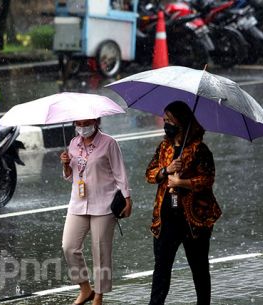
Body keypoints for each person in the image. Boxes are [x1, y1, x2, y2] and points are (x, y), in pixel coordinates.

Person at [145, 101, 222, 305]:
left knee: (199, 268)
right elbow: (150, 174)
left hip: (193, 220)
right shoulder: (164, 147)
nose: (166, 123)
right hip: (166, 218)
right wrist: (166, 171)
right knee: (161, 269)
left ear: (181, 122)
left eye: (170, 120)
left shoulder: (199, 149)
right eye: (165, 119)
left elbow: (208, 179)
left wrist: (183, 182)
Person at [60, 118, 132, 305]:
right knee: (69, 246)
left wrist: (127, 198)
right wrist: (66, 164)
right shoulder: (73, 143)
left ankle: (99, 296)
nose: (82, 128)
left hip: (104, 203)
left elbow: (120, 172)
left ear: (96, 121)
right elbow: (71, 176)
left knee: (100, 251)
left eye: (86, 123)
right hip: (78, 202)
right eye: (79, 124)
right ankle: (85, 289)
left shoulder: (109, 143)